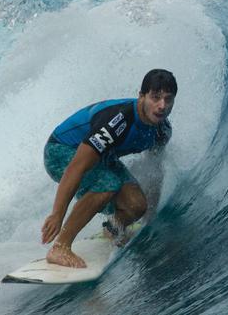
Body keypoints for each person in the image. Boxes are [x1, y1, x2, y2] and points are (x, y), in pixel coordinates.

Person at [40, 69, 177, 268]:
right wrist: (57, 214)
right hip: (60, 151)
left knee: (137, 205)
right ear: (142, 96)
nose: (161, 106)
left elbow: (155, 171)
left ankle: (111, 230)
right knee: (107, 184)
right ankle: (60, 246)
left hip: (101, 157)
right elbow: (75, 168)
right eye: (155, 98)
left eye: (168, 99)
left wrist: (149, 218)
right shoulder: (118, 121)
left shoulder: (161, 131)